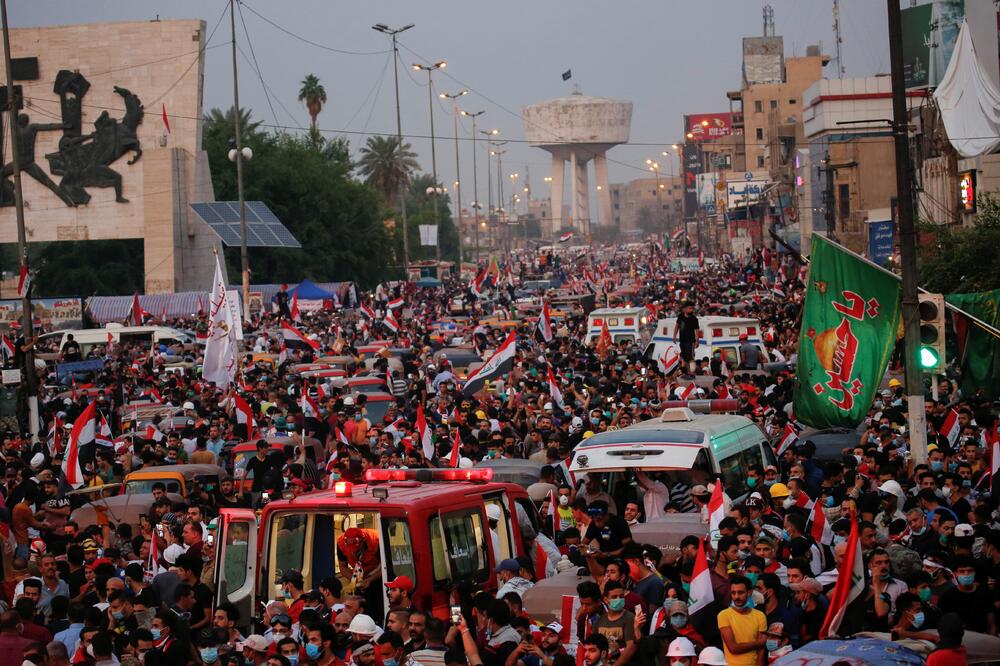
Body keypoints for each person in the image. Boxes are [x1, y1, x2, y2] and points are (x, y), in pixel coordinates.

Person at [716, 575, 766, 666]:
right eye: (733, 593)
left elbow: (761, 650)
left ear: (749, 592)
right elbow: (733, 648)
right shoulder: (723, 615)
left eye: (740, 592)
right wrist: (759, 643)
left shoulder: (760, 616)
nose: (736, 597)